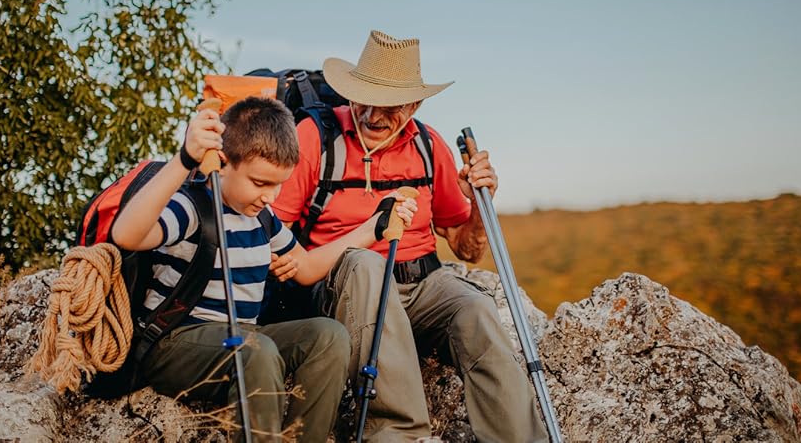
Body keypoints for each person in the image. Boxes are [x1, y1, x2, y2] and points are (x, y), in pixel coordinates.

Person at [270, 31, 550, 442]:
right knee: (366, 264)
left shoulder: (427, 144)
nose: (373, 115)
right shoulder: (315, 137)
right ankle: (402, 435)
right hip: (341, 290)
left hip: (421, 284)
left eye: (391, 105)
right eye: (363, 99)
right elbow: (272, 232)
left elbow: (467, 248)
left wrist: (478, 203)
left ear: (415, 105)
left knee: (475, 307)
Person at [109, 96, 417, 442]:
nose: (270, 196)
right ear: (223, 163)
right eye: (260, 183)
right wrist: (185, 159)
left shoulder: (262, 218)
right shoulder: (193, 206)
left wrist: (372, 228)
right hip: (175, 345)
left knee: (329, 337)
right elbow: (126, 235)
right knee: (255, 350)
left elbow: (304, 267)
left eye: (278, 185)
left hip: (242, 339)